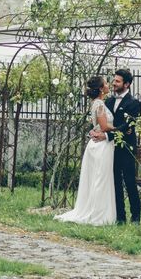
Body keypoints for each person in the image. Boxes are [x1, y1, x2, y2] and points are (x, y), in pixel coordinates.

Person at [55, 75, 117, 226]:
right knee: (100, 179)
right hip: (101, 146)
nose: (109, 85)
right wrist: (121, 128)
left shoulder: (97, 103)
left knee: (98, 178)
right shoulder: (100, 105)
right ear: (102, 88)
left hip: (98, 144)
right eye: (106, 83)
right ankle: (98, 214)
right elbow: (103, 127)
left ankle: (98, 211)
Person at [92, 69, 141, 224]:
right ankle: (120, 216)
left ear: (127, 84)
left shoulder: (134, 103)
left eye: (118, 81)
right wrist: (94, 131)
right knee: (114, 183)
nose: (114, 83)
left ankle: (136, 217)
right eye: (113, 80)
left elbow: (127, 127)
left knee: (130, 182)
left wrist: (106, 135)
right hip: (109, 149)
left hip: (126, 147)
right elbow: (103, 122)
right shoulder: (108, 101)